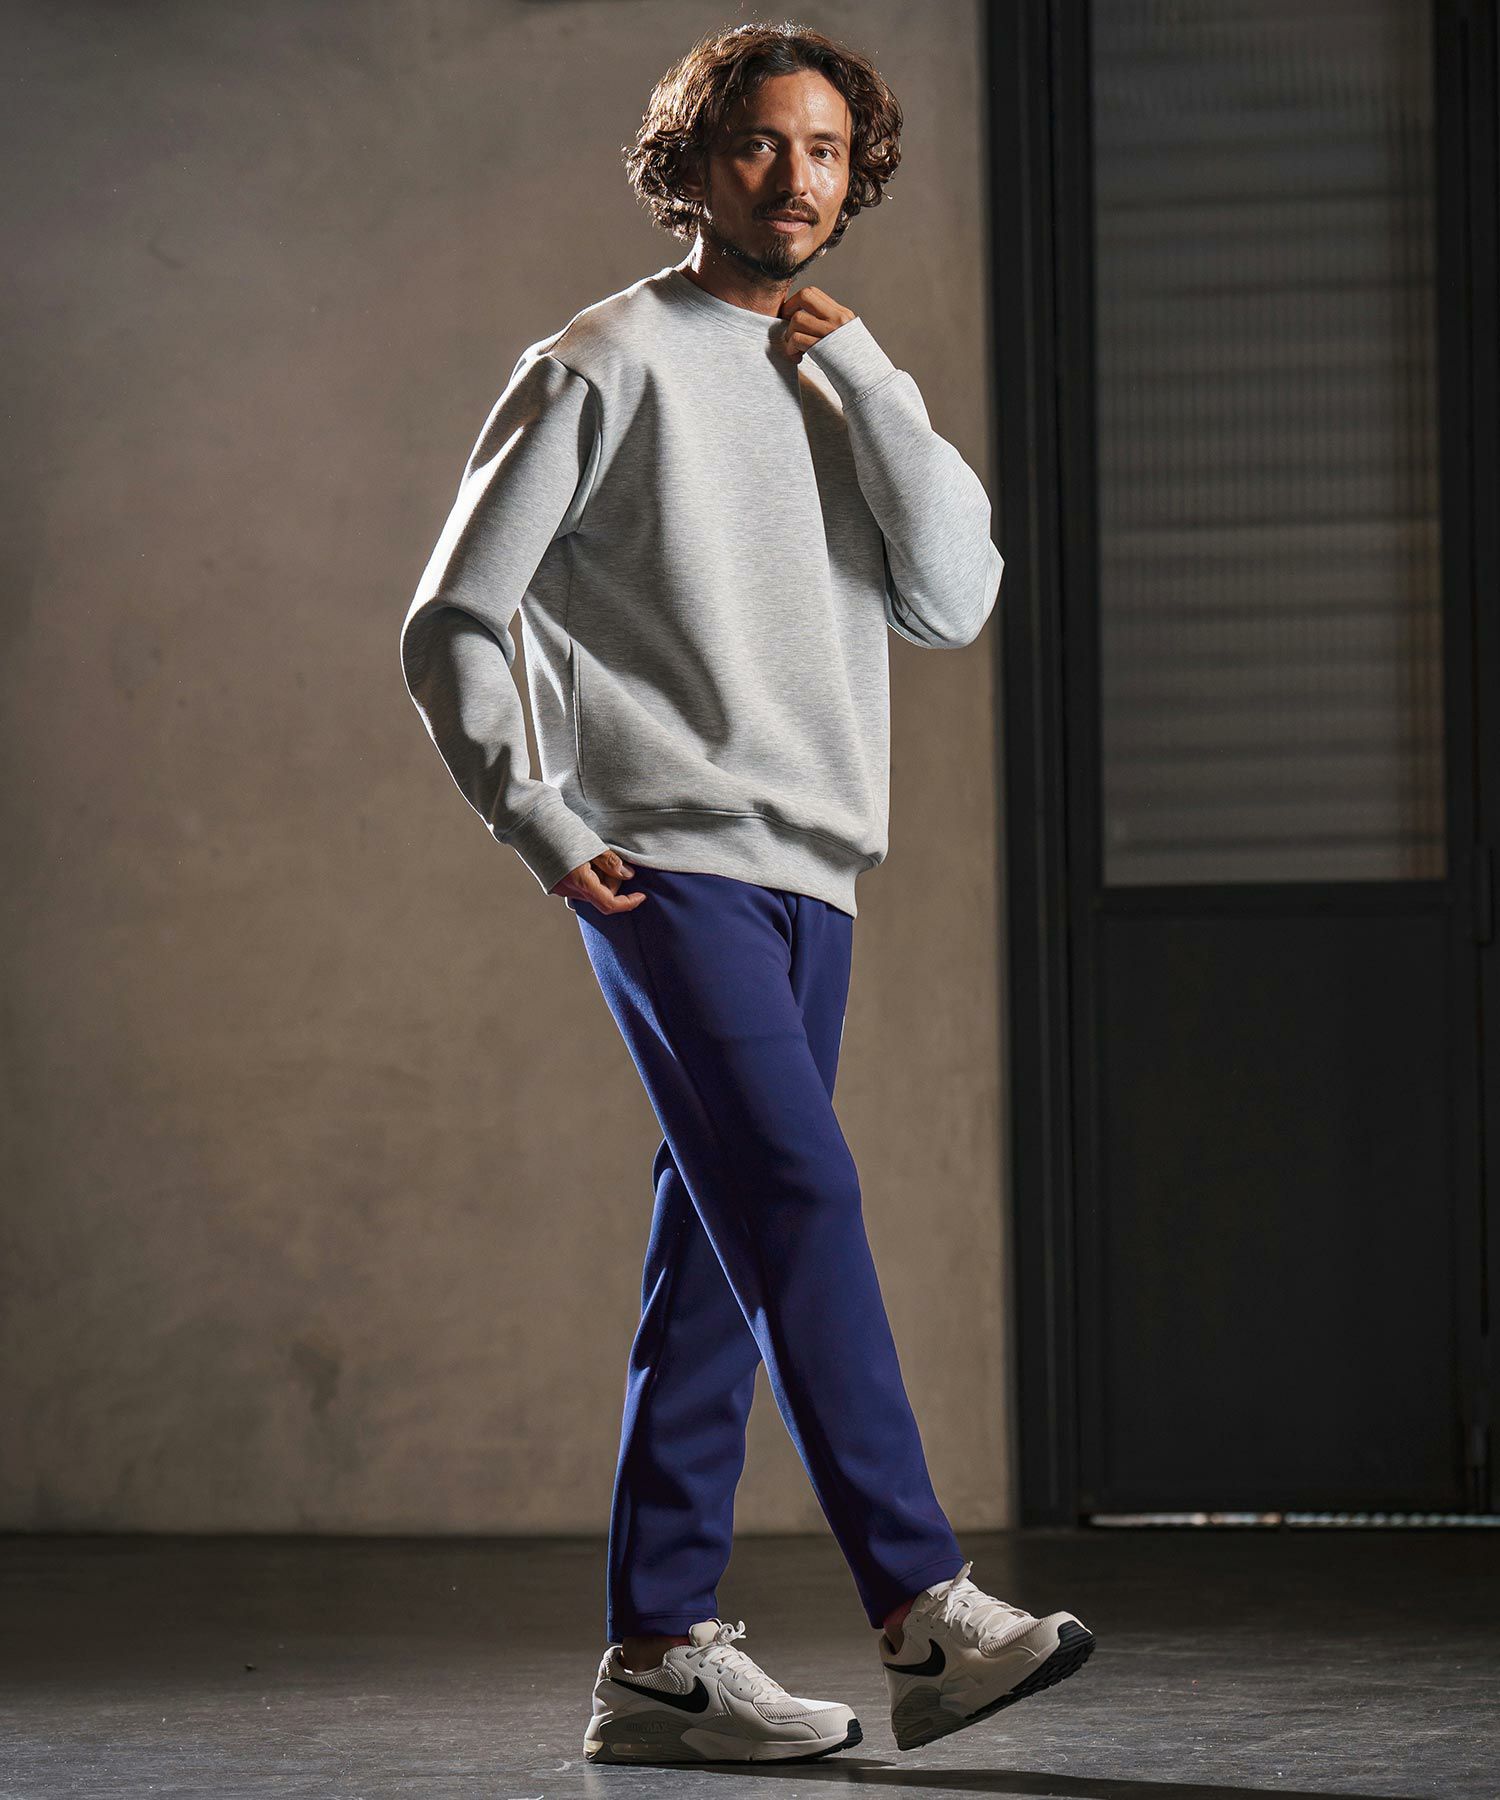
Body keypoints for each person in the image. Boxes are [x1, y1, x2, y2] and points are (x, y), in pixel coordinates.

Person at [399, 18, 1095, 1765]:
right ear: (694, 166)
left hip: (815, 874)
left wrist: (870, 384)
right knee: (796, 1193)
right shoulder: (601, 361)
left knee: (720, 1247)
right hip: (666, 866)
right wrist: (541, 821)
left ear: (857, 177)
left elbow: (954, 598)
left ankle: (657, 1660)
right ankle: (924, 1611)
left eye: (826, 151)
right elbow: (453, 620)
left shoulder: (842, 375)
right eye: (761, 145)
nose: (795, 178)